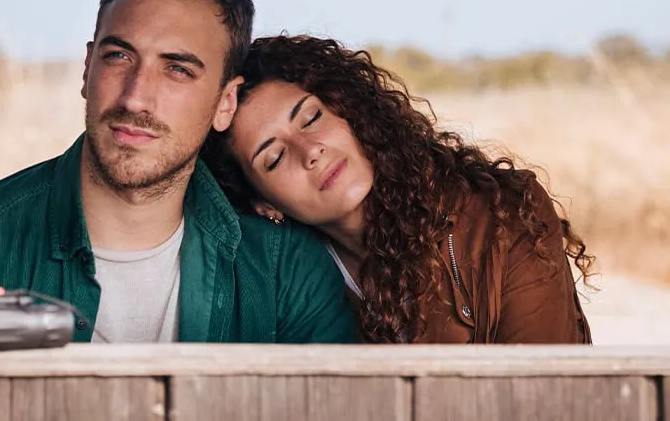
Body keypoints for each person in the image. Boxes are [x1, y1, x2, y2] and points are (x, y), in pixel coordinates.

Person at [0, 0, 356, 344]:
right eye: (119, 56)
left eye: (177, 69)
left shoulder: (287, 274)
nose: (135, 97)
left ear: (224, 104)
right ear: (87, 69)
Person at [201, 34, 595, 344]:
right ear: (264, 204)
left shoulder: (503, 216)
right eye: (273, 158)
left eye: (311, 117)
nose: (310, 151)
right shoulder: (287, 290)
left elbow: (545, 394)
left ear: (348, 111)